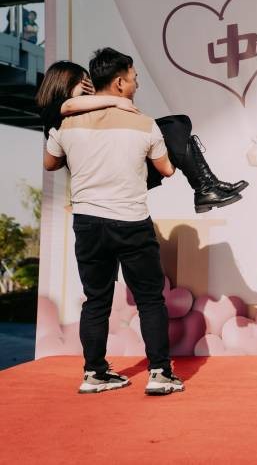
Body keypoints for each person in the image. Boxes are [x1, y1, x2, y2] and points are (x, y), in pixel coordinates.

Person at [39, 53, 185, 395]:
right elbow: (166, 170)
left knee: (96, 301)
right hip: (131, 221)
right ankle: (160, 373)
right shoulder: (144, 123)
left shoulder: (65, 125)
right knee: (150, 300)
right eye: (134, 77)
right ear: (120, 82)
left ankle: (94, 373)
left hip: (88, 223)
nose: (137, 83)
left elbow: (50, 163)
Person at [38, 51, 247, 213]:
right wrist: (115, 100)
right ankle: (205, 187)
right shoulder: (55, 109)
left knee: (176, 131)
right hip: (108, 178)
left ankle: (207, 185)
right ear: (64, 86)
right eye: (84, 85)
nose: (89, 90)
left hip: (111, 175)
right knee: (173, 127)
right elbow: (68, 107)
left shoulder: (76, 114)